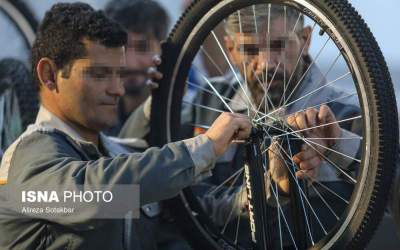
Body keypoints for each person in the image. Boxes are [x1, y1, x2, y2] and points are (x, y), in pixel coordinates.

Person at [0, 3, 253, 249]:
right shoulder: (27, 159)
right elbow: (93, 198)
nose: (117, 89)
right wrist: (205, 147)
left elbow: (191, 212)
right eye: (98, 74)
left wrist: (269, 192)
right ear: (49, 75)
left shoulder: (119, 157)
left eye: (118, 74)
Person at [121, 4, 361, 244]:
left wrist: (341, 145)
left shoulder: (351, 115)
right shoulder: (208, 102)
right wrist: (158, 104)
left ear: (305, 39)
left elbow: (389, 192)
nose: (267, 63)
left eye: (279, 45)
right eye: (250, 49)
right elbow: (128, 166)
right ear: (231, 49)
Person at [104, 0, 170, 136]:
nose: (131, 63)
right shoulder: (92, 120)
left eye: (143, 48)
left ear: (163, 49)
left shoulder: (189, 116)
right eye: (120, 48)